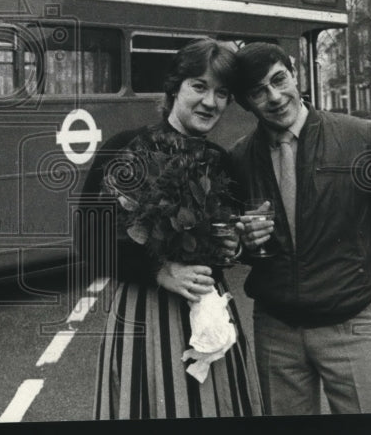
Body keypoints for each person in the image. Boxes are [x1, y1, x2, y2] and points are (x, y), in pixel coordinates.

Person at [229, 42, 371, 416]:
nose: (274, 96)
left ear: (295, 75)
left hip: (350, 325)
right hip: (276, 329)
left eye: (279, 79)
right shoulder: (240, 156)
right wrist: (242, 241)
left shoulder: (357, 137)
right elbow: (239, 240)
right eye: (258, 91)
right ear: (246, 102)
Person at [93, 38, 262, 419]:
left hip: (210, 309)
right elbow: (90, 238)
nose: (210, 102)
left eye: (221, 93)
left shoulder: (221, 161)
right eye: (199, 87)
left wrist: (236, 244)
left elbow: (225, 246)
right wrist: (159, 271)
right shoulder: (126, 148)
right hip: (144, 311)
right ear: (174, 88)